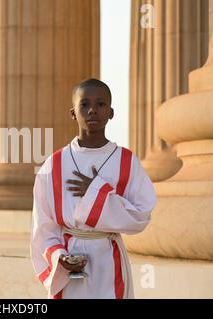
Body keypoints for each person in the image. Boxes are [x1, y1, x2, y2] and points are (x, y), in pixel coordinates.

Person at [30, 78, 156, 299]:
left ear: (111, 112)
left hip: (109, 258)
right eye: (84, 104)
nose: (92, 111)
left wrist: (97, 192)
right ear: (73, 113)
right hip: (69, 260)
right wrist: (59, 256)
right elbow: (43, 225)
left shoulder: (126, 160)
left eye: (100, 104)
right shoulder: (54, 164)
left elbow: (141, 216)